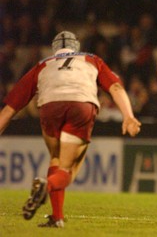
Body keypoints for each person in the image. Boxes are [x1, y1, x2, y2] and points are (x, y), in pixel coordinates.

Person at [0, 31, 142, 228]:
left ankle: (56, 217)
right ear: (77, 48)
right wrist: (128, 116)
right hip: (80, 105)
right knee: (68, 169)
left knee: (56, 160)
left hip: (50, 107)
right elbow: (116, 88)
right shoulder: (92, 59)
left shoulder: (42, 65)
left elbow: (9, 110)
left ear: (54, 49)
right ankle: (46, 186)